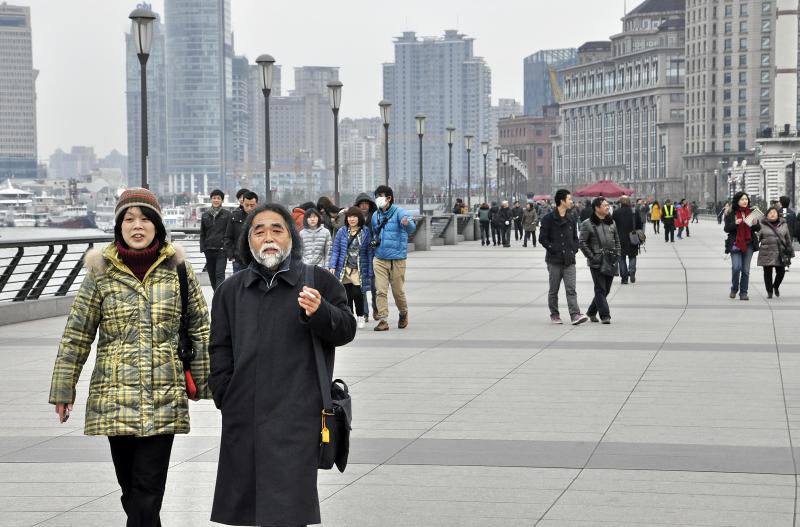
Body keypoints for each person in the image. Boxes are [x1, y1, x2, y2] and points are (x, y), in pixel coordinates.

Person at [49, 188, 210, 527]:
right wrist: (64, 389)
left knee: (148, 488)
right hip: (114, 395)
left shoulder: (178, 269)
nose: (137, 226)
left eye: (145, 219)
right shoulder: (100, 271)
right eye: (129, 219)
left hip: (163, 395)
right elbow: (77, 333)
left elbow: (200, 328)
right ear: (119, 226)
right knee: (131, 490)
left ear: (158, 226)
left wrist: (213, 386)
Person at [208, 203, 356, 527]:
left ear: (291, 237)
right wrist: (224, 393)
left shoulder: (318, 281)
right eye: (258, 231)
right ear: (248, 241)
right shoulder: (230, 291)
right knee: (249, 510)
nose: (268, 238)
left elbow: (346, 329)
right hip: (245, 415)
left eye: (277, 229)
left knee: (289, 513)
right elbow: (219, 347)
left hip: (297, 419)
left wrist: (320, 312)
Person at [538, 189, 588, 325]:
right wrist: (553, 248)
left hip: (569, 260)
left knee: (571, 289)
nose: (571, 201)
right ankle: (554, 314)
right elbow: (542, 238)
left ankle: (575, 314)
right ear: (562, 201)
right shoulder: (548, 218)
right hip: (554, 260)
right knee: (554, 289)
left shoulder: (571, 218)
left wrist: (574, 249)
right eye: (569, 199)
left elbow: (575, 237)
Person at [371, 185, 416, 331]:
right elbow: (374, 233)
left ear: (389, 198)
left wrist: (407, 223)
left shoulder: (400, 212)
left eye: (381, 196)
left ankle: (403, 313)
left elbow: (411, 228)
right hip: (379, 258)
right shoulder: (375, 215)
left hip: (397, 259)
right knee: (380, 290)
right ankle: (383, 320)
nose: (378, 199)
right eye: (377, 196)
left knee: (398, 292)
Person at [329, 206, 373, 328]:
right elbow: (335, 250)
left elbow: (369, 251)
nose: (352, 219)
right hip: (344, 268)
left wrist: (370, 269)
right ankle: (350, 316)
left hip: (359, 268)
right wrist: (333, 265)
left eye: (354, 217)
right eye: (350, 217)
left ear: (359, 218)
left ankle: (360, 315)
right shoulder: (342, 232)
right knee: (347, 294)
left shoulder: (365, 232)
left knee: (358, 293)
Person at [579, 197, 621, 324]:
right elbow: (582, 243)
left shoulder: (611, 222)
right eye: (604, 205)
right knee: (600, 288)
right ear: (597, 208)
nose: (608, 207)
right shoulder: (587, 223)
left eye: (608, 205)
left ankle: (591, 311)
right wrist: (592, 256)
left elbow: (617, 240)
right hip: (597, 261)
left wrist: (618, 254)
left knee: (606, 289)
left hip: (611, 259)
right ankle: (605, 315)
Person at [724, 191, 761, 301]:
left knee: (745, 270)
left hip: (748, 244)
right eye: (742, 199)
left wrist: (755, 224)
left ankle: (743, 293)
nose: (745, 201)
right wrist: (735, 223)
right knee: (736, 268)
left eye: (746, 199)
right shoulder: (731, 213)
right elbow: (726, 229)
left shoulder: (751, 212)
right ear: (737, 201)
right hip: (736, 243)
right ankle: (734, 288)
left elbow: (757, 229)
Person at [758, 206, 794, 298]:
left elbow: (788, 239)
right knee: (767, 273)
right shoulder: (762, 224)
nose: (772, 214)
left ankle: (776, 286)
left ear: (778, 214)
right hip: (766, 251)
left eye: (774, 212)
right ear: (766, 215)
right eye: (770, 212)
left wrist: (790, 251)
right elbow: (757, 236)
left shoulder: (783, 224)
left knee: (781, 272)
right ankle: (769, 292)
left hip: (780, 252)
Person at [200, 189, 232, 290]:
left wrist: (226, 247)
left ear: (222, 200)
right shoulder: (205, 215)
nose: (216, 200)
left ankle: (219, 297)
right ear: (211, 199)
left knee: (220, 274)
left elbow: (229, 233)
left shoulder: (227, 215)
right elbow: (202, 233)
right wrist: (203, 248)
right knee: (212, 275)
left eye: (218, 198)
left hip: (221, 250)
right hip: (209, 249)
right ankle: (217, 294)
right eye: (214, 198)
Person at [355, 192, 379, 319]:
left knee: (375, 287)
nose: (364, 206)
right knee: (361, 287)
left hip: (374, 256)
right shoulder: (354, 220)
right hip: (359, 258)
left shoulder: (375, 217)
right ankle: (365, 312)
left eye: (366, 204)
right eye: (361, 204)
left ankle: (376, 309)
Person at [224, 190, 258, 273]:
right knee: (239, 284)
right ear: (242, 203)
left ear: (256, 204)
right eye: (247, 205)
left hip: (257, 259)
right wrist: (231, 255)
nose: (249, 208)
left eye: (252, 205)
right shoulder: (234, 217)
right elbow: (228, 237)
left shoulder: (261, 218)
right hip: (238, 259)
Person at [612, 195, 643, 284]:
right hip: (632, 237)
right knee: (632, 256)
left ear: (620, 202)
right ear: (629, 202)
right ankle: (632, 270)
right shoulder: (634, 211)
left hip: (620, 238)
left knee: (621, 258)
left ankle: (624, 278)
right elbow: (639, 225)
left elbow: (613, 225)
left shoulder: (616, 212)